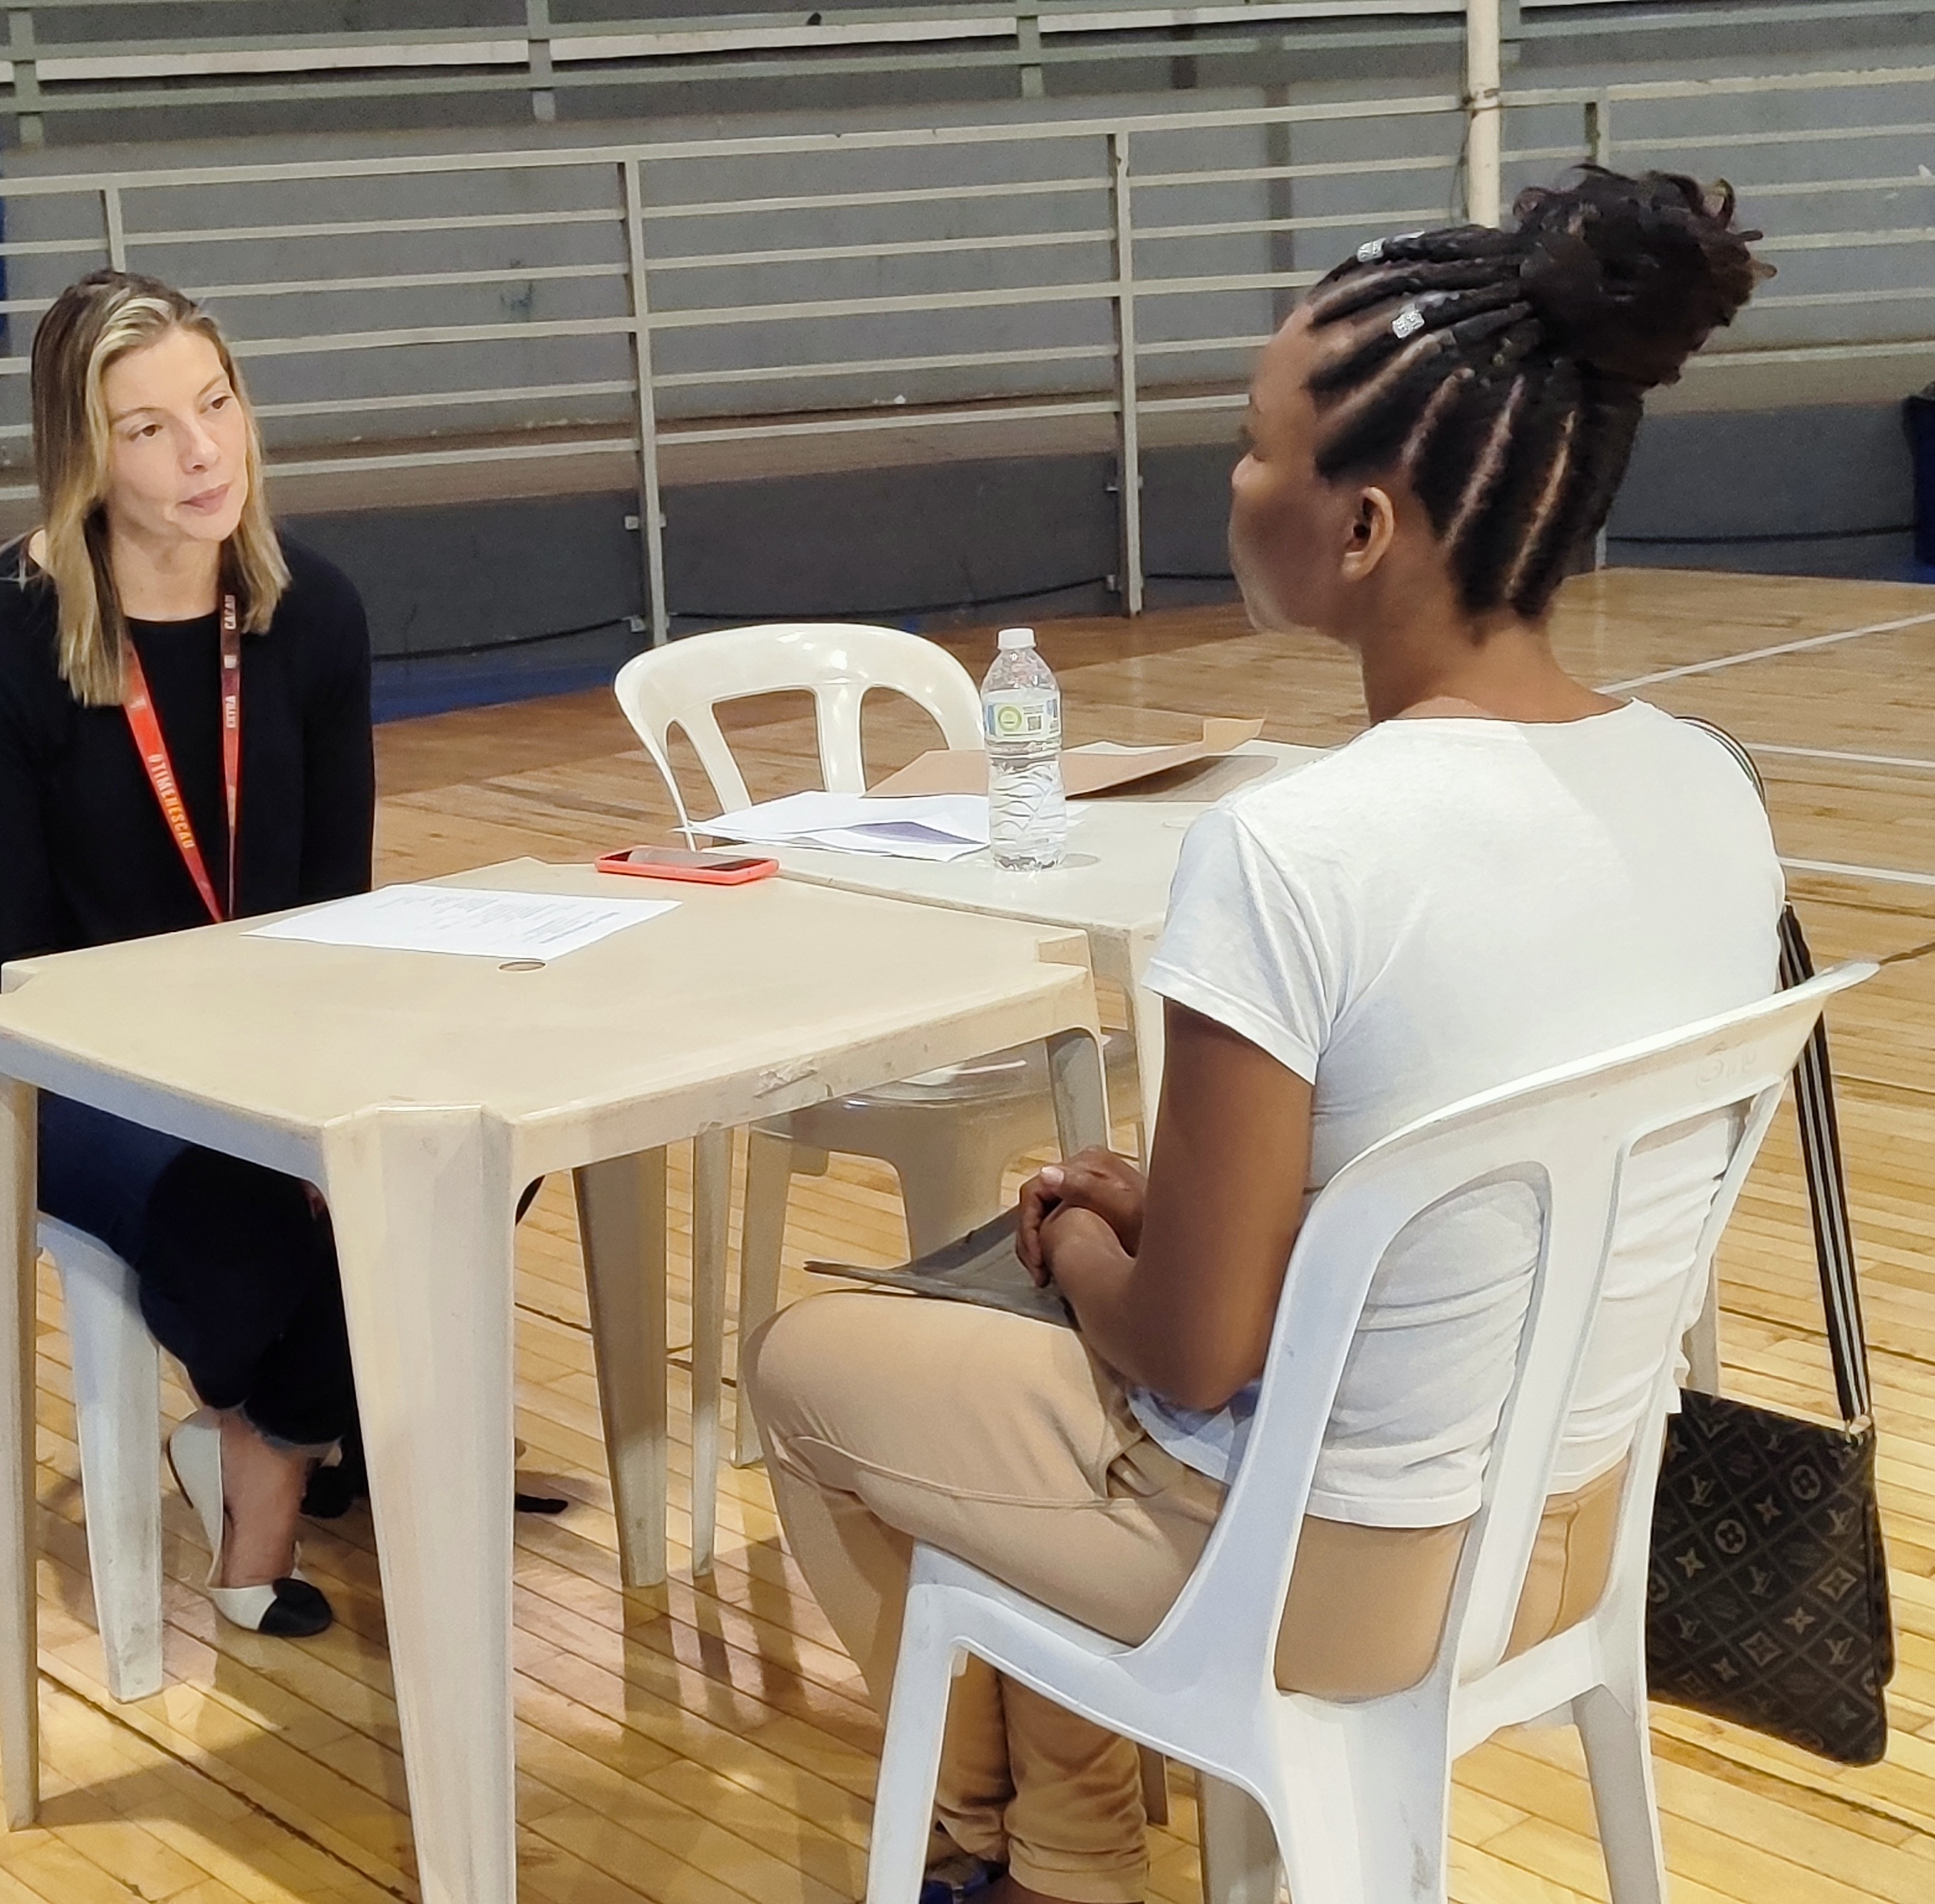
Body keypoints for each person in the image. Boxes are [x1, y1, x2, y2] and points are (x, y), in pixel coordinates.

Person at [744, 167, 1778, 1903]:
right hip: (1578, 1513)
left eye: (1250, 446)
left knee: (810, 1365)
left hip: (1331, 1577)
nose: (1227, 479)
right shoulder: (1705, 781)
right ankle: (1043, 1847)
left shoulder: (1294, 852)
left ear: (1361, 527)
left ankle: (1020, 1851)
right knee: (1040, 1369)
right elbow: (1438, 1189)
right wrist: (1183, 1218)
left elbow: (1192, 1355)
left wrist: (1082, 1246)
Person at [0, 270, 373, 1639]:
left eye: (216, 405)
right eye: (148, 428)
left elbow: (332, 907)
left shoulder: (312, 612)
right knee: (245, 1220)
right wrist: (241, 1106)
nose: (204, 453)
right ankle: (272, 1496)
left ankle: (258, 1432)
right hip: (36, 1054)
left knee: (463, 1152)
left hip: (256, 1025)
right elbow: (5, 961)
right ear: (83, 454)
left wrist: (307, 1079)